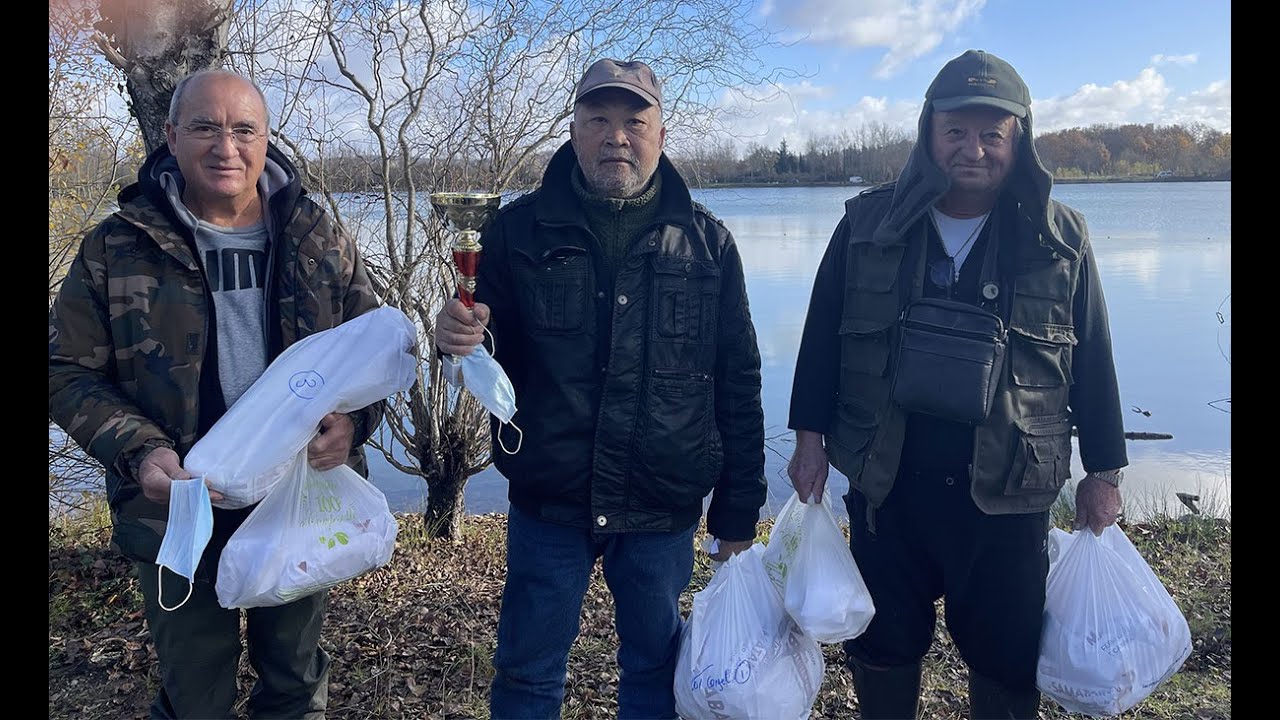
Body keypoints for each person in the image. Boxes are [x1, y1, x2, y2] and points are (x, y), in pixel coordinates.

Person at [786, 49, 1129, 720]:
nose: (973, 149)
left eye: (991, 134)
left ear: (1017, 142)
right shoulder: (867, 226)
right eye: (956, 132)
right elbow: (820, 339)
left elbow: (1094, 359)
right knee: (883, 642)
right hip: (890, 487)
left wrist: (1106, 470)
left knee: (1007, 653)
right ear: (929, 133)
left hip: (1009, 494)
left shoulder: (1059, 240)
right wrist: (808, 440)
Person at [434, 58, 766, 719]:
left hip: (659, 502)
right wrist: (461, 339)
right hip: (550, 496)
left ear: (661, 134)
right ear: (574, 130)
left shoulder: (708, 244)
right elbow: (494, 354)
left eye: (633, 121)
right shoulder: (516, 232)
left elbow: (738, 380)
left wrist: (737, 511)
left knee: (653, 671)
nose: (616, 136)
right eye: (598, 120)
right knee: (527, 672)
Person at [48, 69, 385, 719]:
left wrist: (356, 421)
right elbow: (64, 368)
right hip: (176, 510)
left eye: (242, 129)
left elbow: (367, 351)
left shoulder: (315, 234)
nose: (224, 146)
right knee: (194, 697)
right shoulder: (117, 246)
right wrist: (139, 451)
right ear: (171, 137)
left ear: (265, 139)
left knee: (293, 687)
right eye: (204, 127)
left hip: (297, 502)